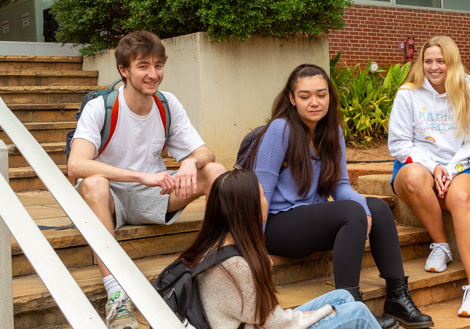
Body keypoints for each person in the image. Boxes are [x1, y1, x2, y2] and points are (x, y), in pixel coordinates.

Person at [252, 64, 434, 329]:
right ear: (291, 99)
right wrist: (255, 246)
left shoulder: (332, 132)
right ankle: (349, 308)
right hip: (279, 226)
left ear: (330, 96)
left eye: (321, 94)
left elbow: (340, 187)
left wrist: (365, 208)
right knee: (351, 212)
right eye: (304, 96)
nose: (314, 102)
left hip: (311, 223)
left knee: (378, 209)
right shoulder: (280, 130)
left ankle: (397, 296)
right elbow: (259, 193)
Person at [66, 30, 226, 329]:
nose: (153, 74)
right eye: (143, 66)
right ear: (123, 71)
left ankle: (226, 264)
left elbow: (206, 151)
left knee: (215, 172)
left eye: (158, 65)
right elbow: (76, 166)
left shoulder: (168, 104)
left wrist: (191, 161)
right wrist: (140, 175)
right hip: (108, 197)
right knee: (94, 182)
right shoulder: (101, 107)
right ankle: (117, 295)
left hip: (152, 194)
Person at [180, 169, 381, 329]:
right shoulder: (235, 267)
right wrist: (311, 316)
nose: (267, 200)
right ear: (248, 209)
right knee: (358, 313)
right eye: (262, 195)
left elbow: (263, 315)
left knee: (344, 298)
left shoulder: (215, 247)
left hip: (259, 322)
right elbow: (276, 322)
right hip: (269, 324)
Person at [388, 36, 470, 317]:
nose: (433, 67)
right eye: (428, 61)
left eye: (440, 61)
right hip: (416, 167)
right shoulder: (408, 93)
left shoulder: (469, 93)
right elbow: (398, 144)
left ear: (451, 63)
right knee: (416, 178)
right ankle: (441, 244)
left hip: (459, 165)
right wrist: (434, 168)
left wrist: (451, 169)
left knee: (461, 196)